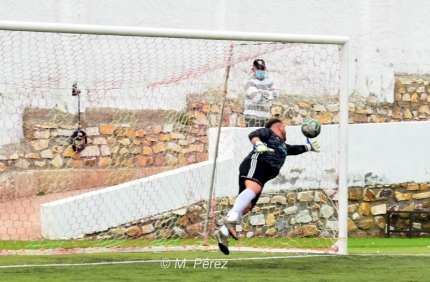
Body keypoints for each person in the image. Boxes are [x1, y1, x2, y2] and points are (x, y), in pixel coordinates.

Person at [213, 118, 321, 255]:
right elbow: (253, 134)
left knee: (247, 207)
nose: (286, 130)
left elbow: (293, 149)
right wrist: (258, 144)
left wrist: (308, 147)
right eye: (285, 128)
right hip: (257, 163)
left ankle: (222, 232)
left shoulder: (282, 146)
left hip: (263, 174)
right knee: (254, 189)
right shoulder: (269, 133)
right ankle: (231, 219)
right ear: (279, 127)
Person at [243, 59, 279, 127]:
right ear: (253, 69)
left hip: (265, 117)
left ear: (265, 68)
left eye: (262, 68)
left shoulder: (269, 80)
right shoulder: (249, 82)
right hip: (252, 117)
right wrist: (269, 93)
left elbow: (276, 95)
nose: (260, 70)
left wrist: (261, 92)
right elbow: (255, 98)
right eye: (258, 68)